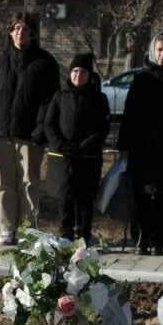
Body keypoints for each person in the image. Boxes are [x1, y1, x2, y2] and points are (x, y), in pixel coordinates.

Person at [0, 12, 60, 244]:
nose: (20, 32)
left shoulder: (45, 62)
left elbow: (50, 101)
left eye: (24, 28)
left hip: (30, 135)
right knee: (4, 183)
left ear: (31, 32)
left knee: (29, 182)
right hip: (2, 133)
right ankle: (6, 228)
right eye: (16, 28)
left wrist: (40, 130)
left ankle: (27, 231)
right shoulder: (0, 62)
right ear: (10, 31)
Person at [117, 31, 163, 255]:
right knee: (142, 195)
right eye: (159, 50)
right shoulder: (142, 78)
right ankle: (142, 238)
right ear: (152, 51)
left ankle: (158, 240)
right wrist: (124, 145)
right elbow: (129, 113)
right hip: (142, 146)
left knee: (162, 196)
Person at [43, 53, 109, 244]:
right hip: (63, 156)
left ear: (89, 75)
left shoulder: (98, 98)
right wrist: (62, 144)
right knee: (65, 198)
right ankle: (65, 233)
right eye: (75, 71)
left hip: (87, 158)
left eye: (82, 71)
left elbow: (101, 129)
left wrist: (84, 146)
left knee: (85, 198)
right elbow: (49, 124)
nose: (78, 75)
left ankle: (84, 234)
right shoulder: (59, 96)